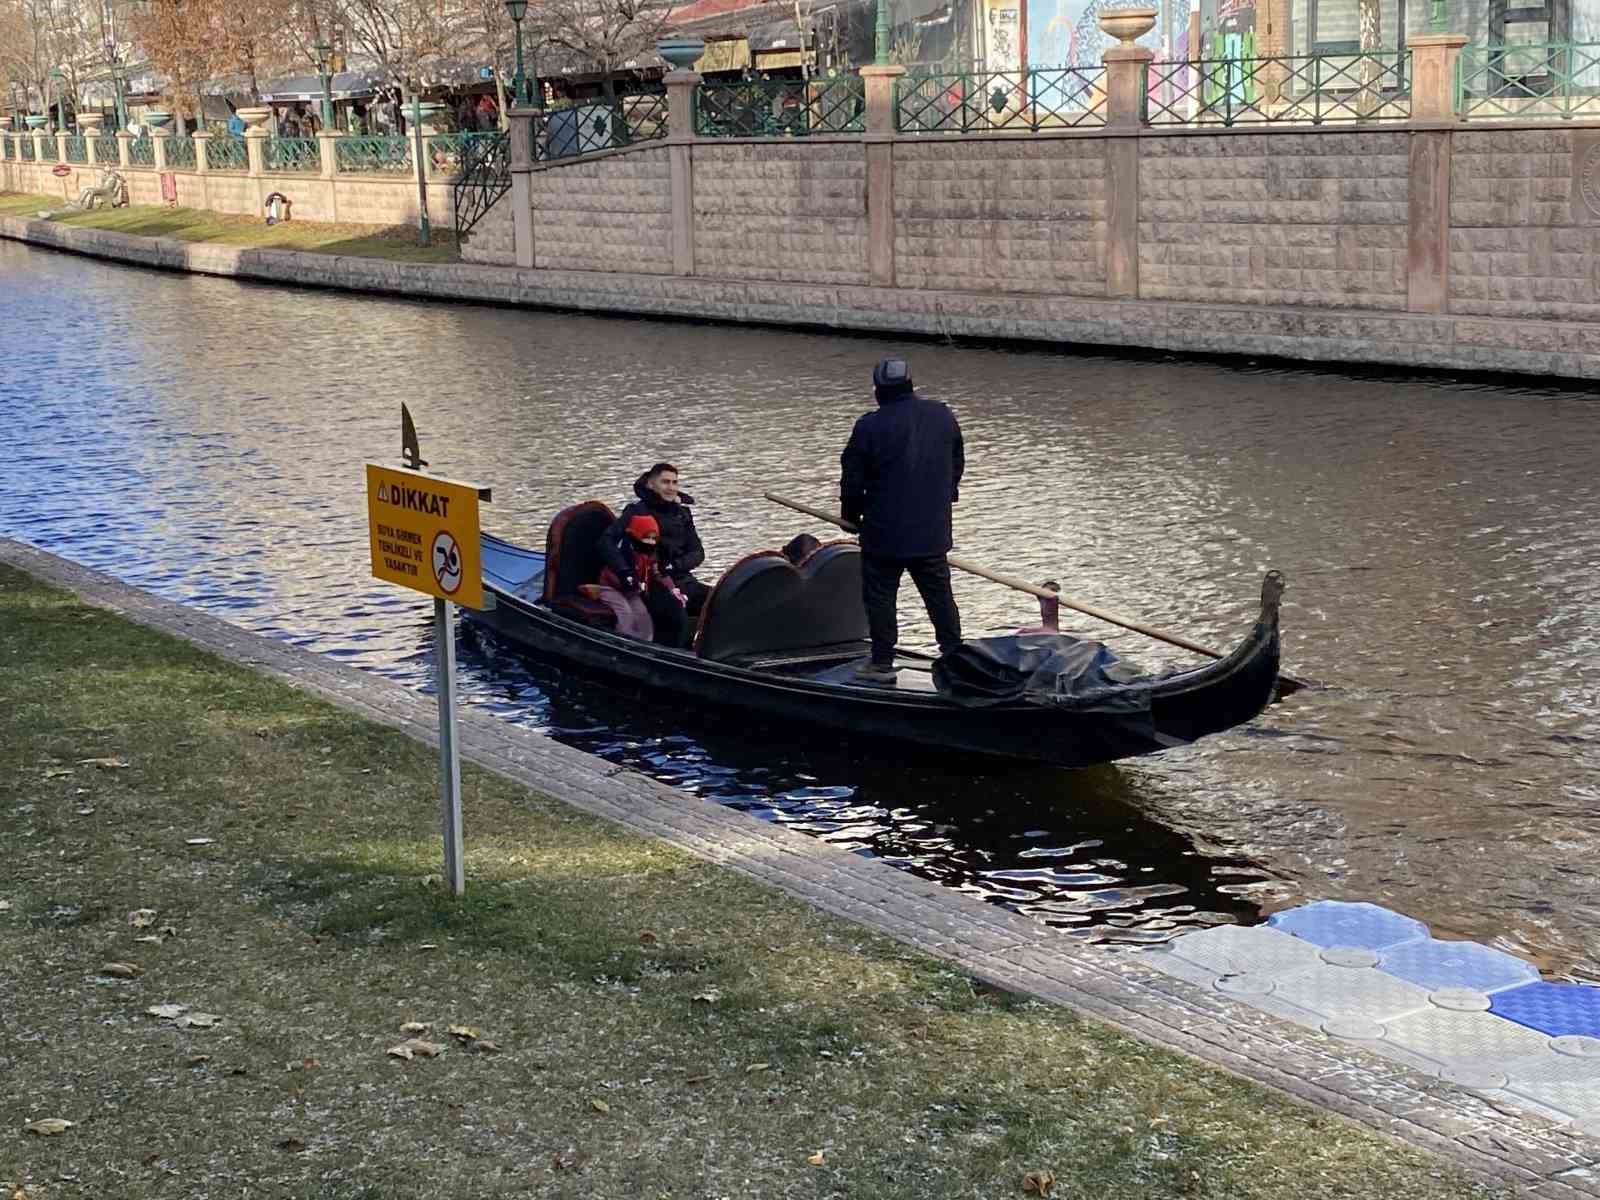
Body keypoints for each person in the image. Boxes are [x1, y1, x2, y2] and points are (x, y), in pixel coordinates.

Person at [840, 357, 965, 684]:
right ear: (911, 384)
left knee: (881, 597)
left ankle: (881, 663)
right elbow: (956, 464)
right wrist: (944, 499)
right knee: (939, 597)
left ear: (878, 391)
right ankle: (954, 657)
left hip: (884, 534)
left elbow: (852, 480)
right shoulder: (942, 414)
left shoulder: (869, 426)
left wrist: (850, 517)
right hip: (931, 532)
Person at [602, 463, 708, 647]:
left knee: (721, 601)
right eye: (665, 482)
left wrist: (674, 566)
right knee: (677, 617)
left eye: (675, 482)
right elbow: (606, 542)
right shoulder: (636, 512)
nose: (671, 487)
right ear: (651, 484)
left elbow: (698, 553)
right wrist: (625, 572)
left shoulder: (683, 514)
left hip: (682, 578)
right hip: (650, 583)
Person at [590, 513, 668, 642]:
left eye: (654, 538)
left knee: (643, 615)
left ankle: (645, 643)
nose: (650, 541)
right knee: (625, 611)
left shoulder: (649, 554)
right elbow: (613, 576)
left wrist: (670, 588)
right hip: (610, 588)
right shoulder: (622, 553)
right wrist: (629, 580)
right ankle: (621, 642)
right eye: (646, 537)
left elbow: (656, 572)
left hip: (631, 591)